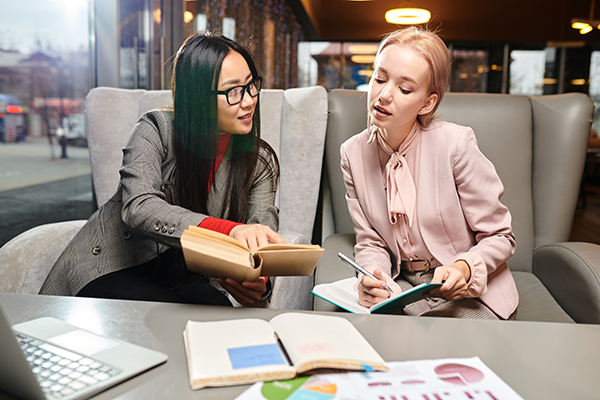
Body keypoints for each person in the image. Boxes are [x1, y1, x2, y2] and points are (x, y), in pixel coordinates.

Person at [39, 33, 286, 306]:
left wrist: (258, 283)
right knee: (163, 313)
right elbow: (139, 206)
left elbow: (261, 231)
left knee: (218, 307)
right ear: (199, 97)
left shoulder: (260, 161)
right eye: (233, 91)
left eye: (252, 85)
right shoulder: (155, 128)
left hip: (181, 274)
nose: (250, 100)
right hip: (112, 264)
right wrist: (229, 230)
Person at [341, 27, 518, 320]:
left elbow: (501, 236)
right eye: (379, 78)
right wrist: (374, 277)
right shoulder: (352, 153)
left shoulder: (456, 144)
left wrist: (463, 269)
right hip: (404, 290)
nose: (383, 95)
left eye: (405, 89)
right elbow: (370, 241)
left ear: (427, 103)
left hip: (471, 292)